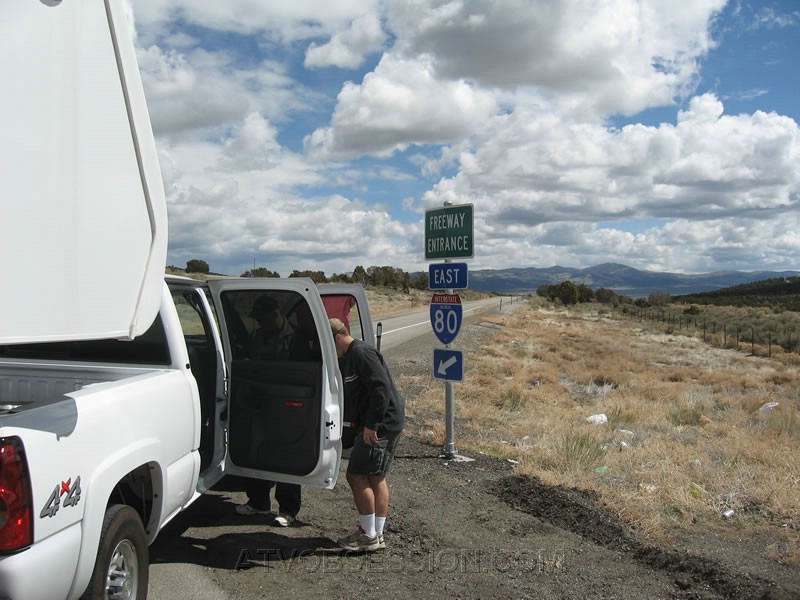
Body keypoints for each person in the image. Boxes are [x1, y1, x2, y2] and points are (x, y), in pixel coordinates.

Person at [330, 317, 405, 552]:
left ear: (338, 337)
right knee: (375, 476)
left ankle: (368, 535)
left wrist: (372, 425)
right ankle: (376, 534)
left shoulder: (361, 353)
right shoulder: (349, 356)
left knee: (356, 475)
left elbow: (381, 388)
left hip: (381, 423)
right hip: (380, 421)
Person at [236, 294, 301, 526]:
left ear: (275, 314)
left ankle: (288, 509)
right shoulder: (256, 335)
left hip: (286, 403)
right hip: (258, 401)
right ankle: (258, 501)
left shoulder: (294, 338)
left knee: (286, 454)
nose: (259, 323)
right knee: (256, 450)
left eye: (262, 319)